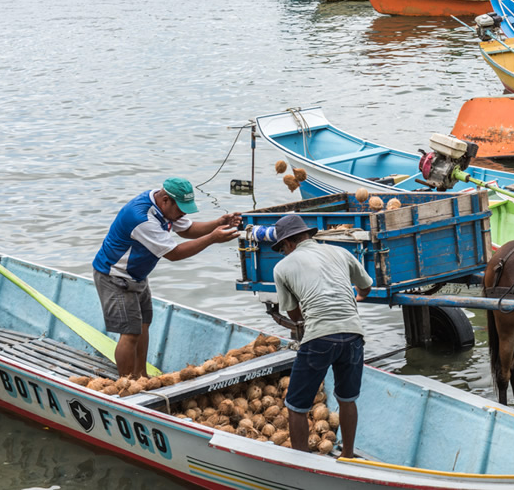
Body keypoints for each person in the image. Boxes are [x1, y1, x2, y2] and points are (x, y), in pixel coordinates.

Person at [93, 177, 241, 377]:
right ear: (165, 200)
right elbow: (174, 254)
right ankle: (126, 384)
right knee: (130, 333)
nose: (183, 213)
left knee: (143, 325)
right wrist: (212, 238)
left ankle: (142, 376)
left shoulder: (164, 206)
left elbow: (187, 230)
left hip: (137, 275)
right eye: (181, 208)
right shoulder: (142, 219)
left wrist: (218, 223)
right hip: (115, 276)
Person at [271, 214, 372, 459]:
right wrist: (353, 301)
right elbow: (365, 287)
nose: (284, 252)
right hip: (353, 333)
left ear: (289, 243)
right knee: (347, 399)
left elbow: (294, 315)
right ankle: (347, 455)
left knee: (295, 406)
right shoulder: (340, 252)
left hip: (319, 337)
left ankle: (302, 464)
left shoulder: (282, 267)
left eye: (283, 248)